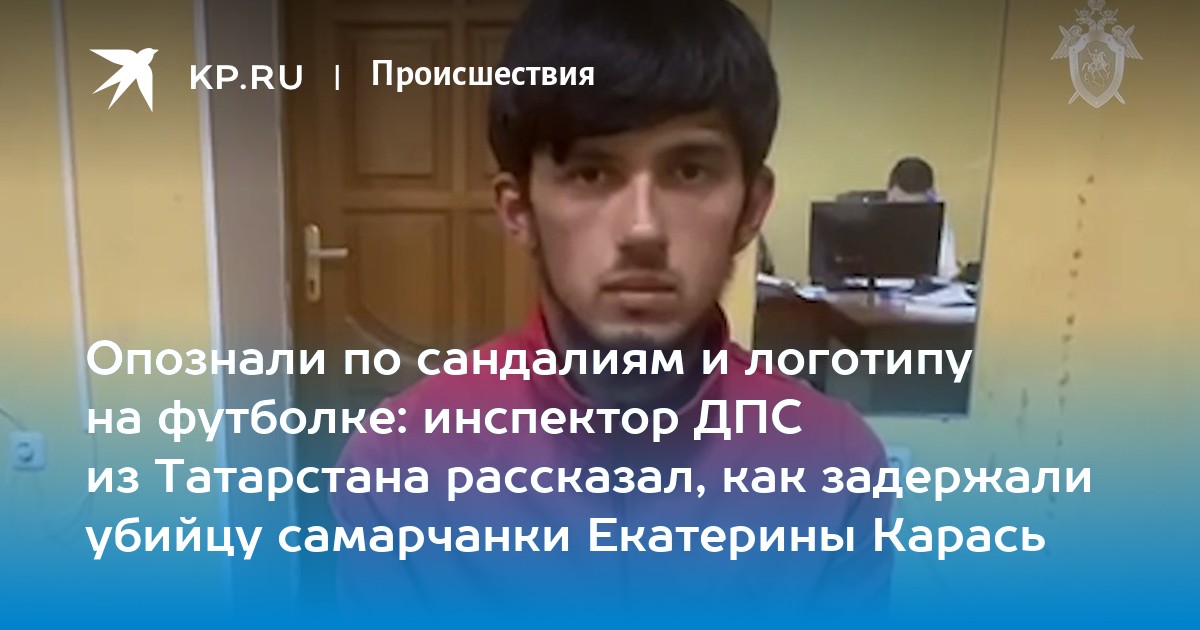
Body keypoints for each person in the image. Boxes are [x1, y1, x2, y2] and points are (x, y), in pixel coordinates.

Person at [330, 0, 892, 623]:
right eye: (592, 173)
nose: (642, 229)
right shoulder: (398, 465)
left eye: (689, 170)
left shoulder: (837, 467)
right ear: (518, 210)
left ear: (751, 209)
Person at [887, 156, 960, 280]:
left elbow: (947, 271)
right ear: (890, 193)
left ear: (929, 196)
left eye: (915, 208)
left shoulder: (935, 216)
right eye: (898, 205)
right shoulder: (870, 216)